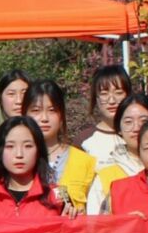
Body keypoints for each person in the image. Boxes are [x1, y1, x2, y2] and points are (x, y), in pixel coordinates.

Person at [0, 118, 64, 220]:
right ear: (0, 151)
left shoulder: (58, 195)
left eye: (28, 146)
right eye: (10, 146)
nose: (19, 154)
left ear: (39, 150)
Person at [24, 80, 95, 211]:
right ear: (24, 115)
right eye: (36, 110)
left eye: (52, 110)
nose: (44, 118)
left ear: (61, 116)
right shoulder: (15, 160)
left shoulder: (84, 162)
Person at [84, 94, 148, 215]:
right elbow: (95, 224)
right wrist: (123, 223)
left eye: (144, 121)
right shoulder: (106, 177)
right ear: (119, 128)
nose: (136, 128)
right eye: (128, 122)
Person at [80, 65, 132, 166]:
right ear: (96, 98)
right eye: (104, 94)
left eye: (118, 93)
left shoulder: (139, 135)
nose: (111, 101)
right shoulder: (84, 140)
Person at [0, 70, 31, 138]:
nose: (19, 101)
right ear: (0, 99)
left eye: (24, 93)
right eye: (11, 94)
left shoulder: (45, 137)